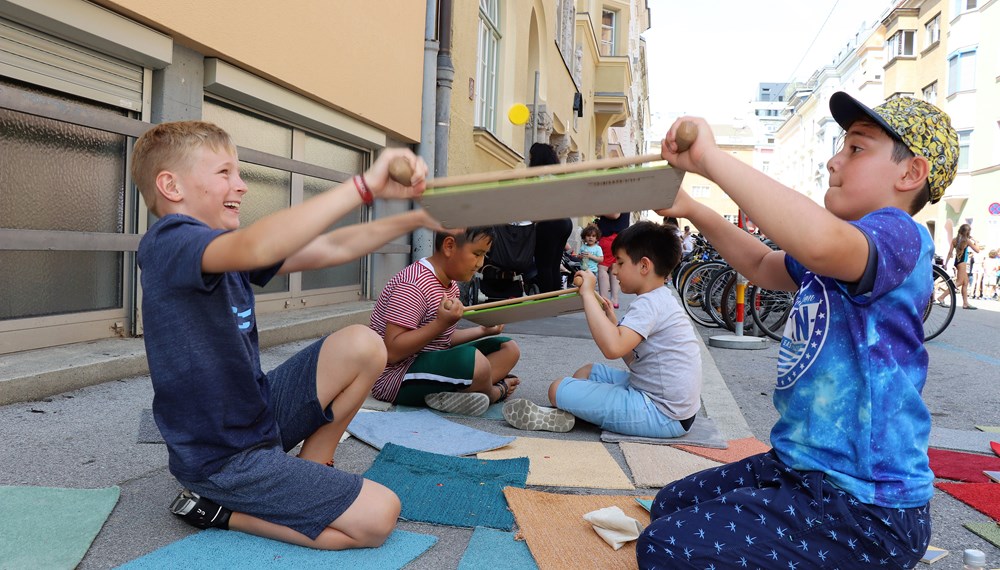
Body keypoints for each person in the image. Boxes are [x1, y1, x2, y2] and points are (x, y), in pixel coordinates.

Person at [639, 92, 958, 569]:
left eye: (856, 148)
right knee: (668, 507)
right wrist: (692, 207)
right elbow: (763, 264)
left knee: (665, 547)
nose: (833, 162)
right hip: (797, 470)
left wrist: (712, 159)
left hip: (865, 508)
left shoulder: (897, 234)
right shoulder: (837, 246)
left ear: (911, 173)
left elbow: (818, 241)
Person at [134, 121, 437, 549]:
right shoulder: (169, 243)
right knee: (378, 519)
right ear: (172, 186)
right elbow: (260, 246)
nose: (240, 186)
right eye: (224, 173)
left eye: (238, 174)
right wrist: (365, 185)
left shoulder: (221, 248)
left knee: (365, 344)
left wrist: (420, 216)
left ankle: (313, 466)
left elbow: (331, 248)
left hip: (257, 417)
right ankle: (220, 512)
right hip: (222, 459)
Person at [502, 221, 701, 436]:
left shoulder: (649, 304)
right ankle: (573, 411)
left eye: (620, 262)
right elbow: (634, 358)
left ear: (644, 266)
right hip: (670, 406)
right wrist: (613, 325)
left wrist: (588, 292)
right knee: (587, 372)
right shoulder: (660, 299)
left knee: (557, 388)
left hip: (661, 413)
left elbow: (612, 348)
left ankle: (571, 410)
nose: (614, 270)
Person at [369, 228, 522, 416]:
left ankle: (460, 393)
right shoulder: (413, 284)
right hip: (394, 378)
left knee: (508, 348)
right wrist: (441, 323)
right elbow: (392, 352)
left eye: (484, 256)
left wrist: (483, 331)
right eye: (477, 254)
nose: (480, 264)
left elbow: (441, 339)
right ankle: (492, 392)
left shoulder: (450, 285)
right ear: (449, 246)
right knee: (476, 363)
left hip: (430, 363)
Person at [529, 143, 574, 292]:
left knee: (544, 264)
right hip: (565, 222)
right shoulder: (558, 175)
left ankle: (546, 299)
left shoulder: (539, 175)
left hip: (549, 223)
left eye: (531, 156)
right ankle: (554, 296)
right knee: (555, 263)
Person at [942, 223, 981, 309]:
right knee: (959, 282)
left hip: (957, 262)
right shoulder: (967, 240)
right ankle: (941, 297)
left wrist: (946, 264)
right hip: (962, 263)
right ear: (967, 232)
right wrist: (976, 241)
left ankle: (965, 303)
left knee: (965, 282)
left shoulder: (954, 240)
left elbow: (950, 253)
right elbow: (977, 250)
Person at [595, 211, 630, 308]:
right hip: (620, 237)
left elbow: (615, 214)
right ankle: (614, 300)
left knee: (602, 268)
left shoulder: (615, 196)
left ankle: (603, 299)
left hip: (609, 236)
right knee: (613, 268)